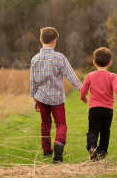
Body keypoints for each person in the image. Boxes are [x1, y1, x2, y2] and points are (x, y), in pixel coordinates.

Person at [30, 27, 82, 163]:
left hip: (41, 97)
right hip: (57, 98)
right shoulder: (60, 58)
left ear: (41, 39)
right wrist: (81, 90)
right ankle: (59, 143)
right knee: (60, 123)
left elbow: (33, 81)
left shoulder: (35, 59)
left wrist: (35, 98)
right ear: (55, 41)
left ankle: (46, 150)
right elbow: (71, 76)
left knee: (45, 123)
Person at [80, 47, 117, 161]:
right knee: (105, 132)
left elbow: (83, 90)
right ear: (110, 62)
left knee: (93, 130)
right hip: (107, 110)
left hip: (94, 109)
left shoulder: (90, 76)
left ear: (94, 62)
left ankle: (92, 147)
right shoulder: (112, 76)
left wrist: (84, 98)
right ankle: (102, 153)